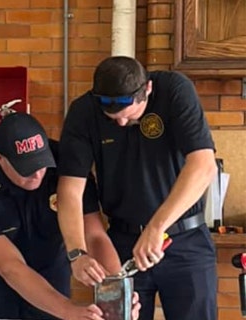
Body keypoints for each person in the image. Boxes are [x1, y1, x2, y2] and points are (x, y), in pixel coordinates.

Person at [57, 56, 218, 320]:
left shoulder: (174, 90)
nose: (120, 124)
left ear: (148, 90)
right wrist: (77, 252)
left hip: (185, 240)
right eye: (113, 119)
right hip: (122, 242)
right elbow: (70, 190)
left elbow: (203, 165)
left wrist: (157, 228)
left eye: (128, 116)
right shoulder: (84, 112)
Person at [0, 113, 140, 320]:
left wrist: (118, 293)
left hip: (49, 260)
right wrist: (69, 312)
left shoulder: (67, 165)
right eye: (26, 168)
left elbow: (94, 235)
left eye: (41, 164)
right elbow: (10, 267)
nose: (37, 174)